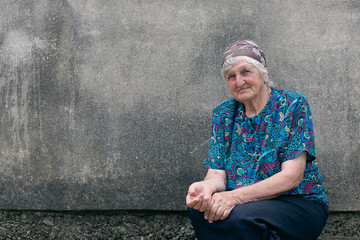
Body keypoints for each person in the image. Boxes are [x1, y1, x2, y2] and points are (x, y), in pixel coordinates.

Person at [186, 40, 328, 240]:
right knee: (201, 211)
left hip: (296, 201)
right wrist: (206, 189)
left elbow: (291, 177)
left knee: (240, 218)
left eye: (246, 72)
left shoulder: (292, 104)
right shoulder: (224, 113)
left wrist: (234, 197)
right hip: (243, 205)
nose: (239, 81)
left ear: (264, 75)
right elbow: (217, 172)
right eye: (231, 77)